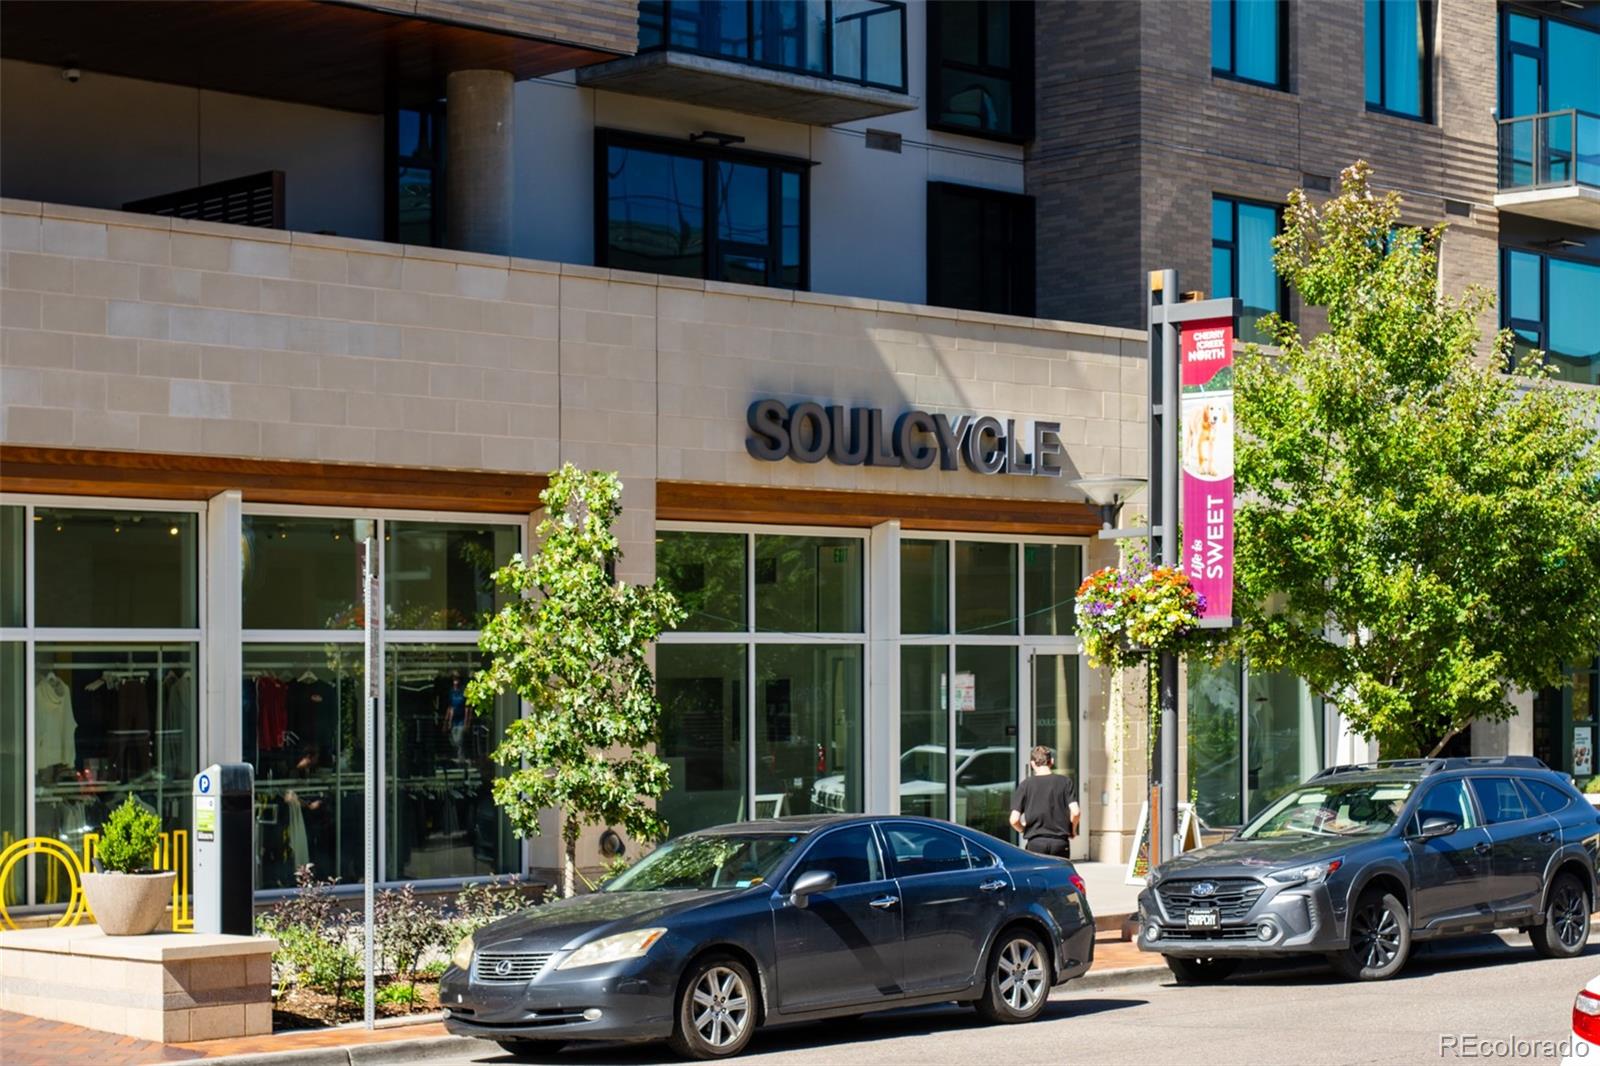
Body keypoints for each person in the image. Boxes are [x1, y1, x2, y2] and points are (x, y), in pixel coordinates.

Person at [1009, 746, 1080, 858]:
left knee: (1037, 875)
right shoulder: (1065, 782)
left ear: (1032, 764)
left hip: (1035, 843)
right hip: (1060, 843)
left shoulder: (1025, 785)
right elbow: (1075, 812)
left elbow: (1014, 820)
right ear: (1051, 761)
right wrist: (1073, 829)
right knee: (1060, 875)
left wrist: (1024, 829)